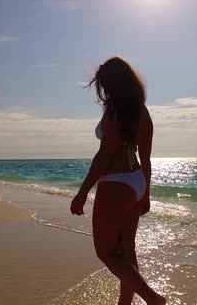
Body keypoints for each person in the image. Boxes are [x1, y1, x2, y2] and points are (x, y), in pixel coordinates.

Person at [70, 57, 166, 305]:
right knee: (126, 250)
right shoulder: (142, 112)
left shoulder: (115, 111)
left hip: (116, 182)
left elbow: (104, 156)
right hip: (135, 181)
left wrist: (82, 192)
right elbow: (146, 159)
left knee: (106, 252)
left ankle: (153, 299)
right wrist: (145, 194)